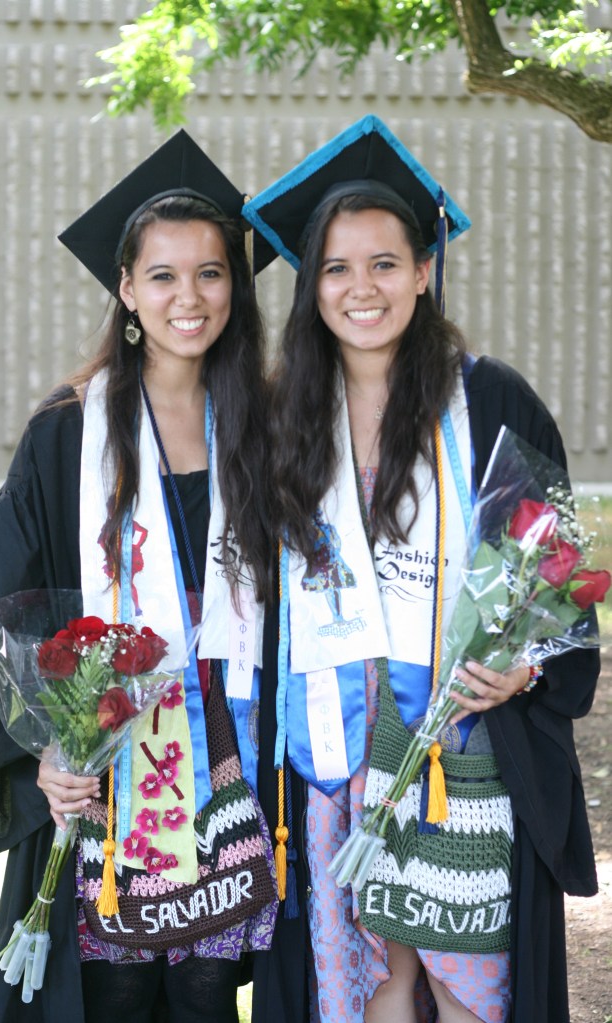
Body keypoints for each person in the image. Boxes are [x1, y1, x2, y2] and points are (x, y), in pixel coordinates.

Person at [245, 115, 600, 1023]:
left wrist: (528, 667)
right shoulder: (282, 417)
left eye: (384, 263)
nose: (361, 288)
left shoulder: (489, 397)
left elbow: (553, 569)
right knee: (373, 979)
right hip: (332, 746)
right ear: (310, 284)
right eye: (336, 268)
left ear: (423, 270)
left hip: (460, 741)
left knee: (463, 979)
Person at [0, 130, 278, 1023]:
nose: (188, 297)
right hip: (113, 754)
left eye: (210, 273)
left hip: (228, 753)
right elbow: (3, 601)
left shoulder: (267, 428)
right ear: (126, 289)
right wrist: (45, 748)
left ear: (235, 287)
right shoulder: (67, 432)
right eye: (162, 275)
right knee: (112, 988)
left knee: (205, 989)